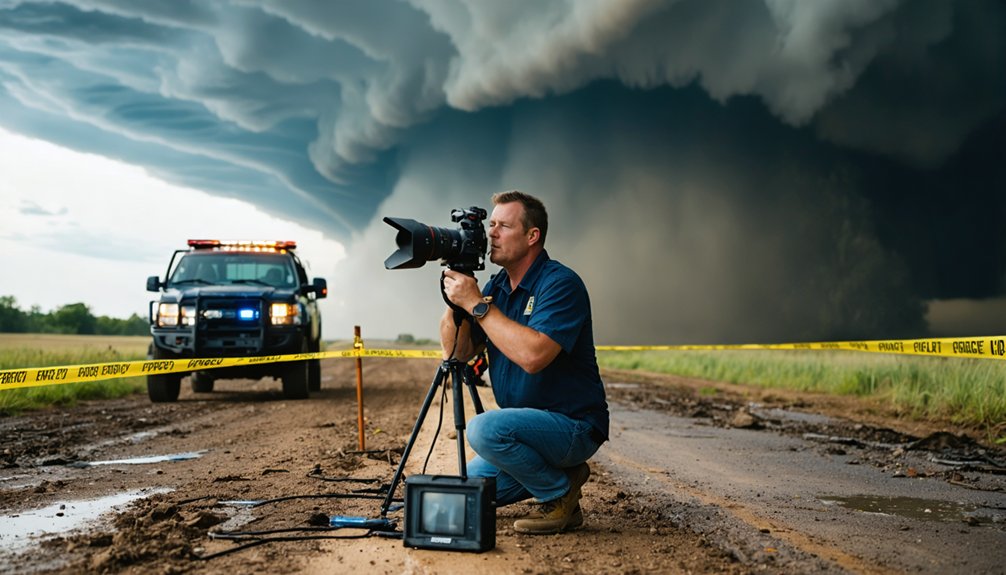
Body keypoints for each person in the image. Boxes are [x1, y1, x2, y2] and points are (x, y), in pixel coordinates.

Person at [440, 190, 609, 535]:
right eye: (491, 225)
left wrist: (479, 307)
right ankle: (563, 478)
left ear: (532, 236)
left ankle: (559, 494)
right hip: (528, 436)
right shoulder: (495, 287)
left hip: (572, 426)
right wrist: (455, 299)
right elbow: (456, 354)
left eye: (504, 226)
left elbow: (534, 356)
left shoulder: (560, 284)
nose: (491, 234)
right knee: (459, 494)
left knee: (483, 429)